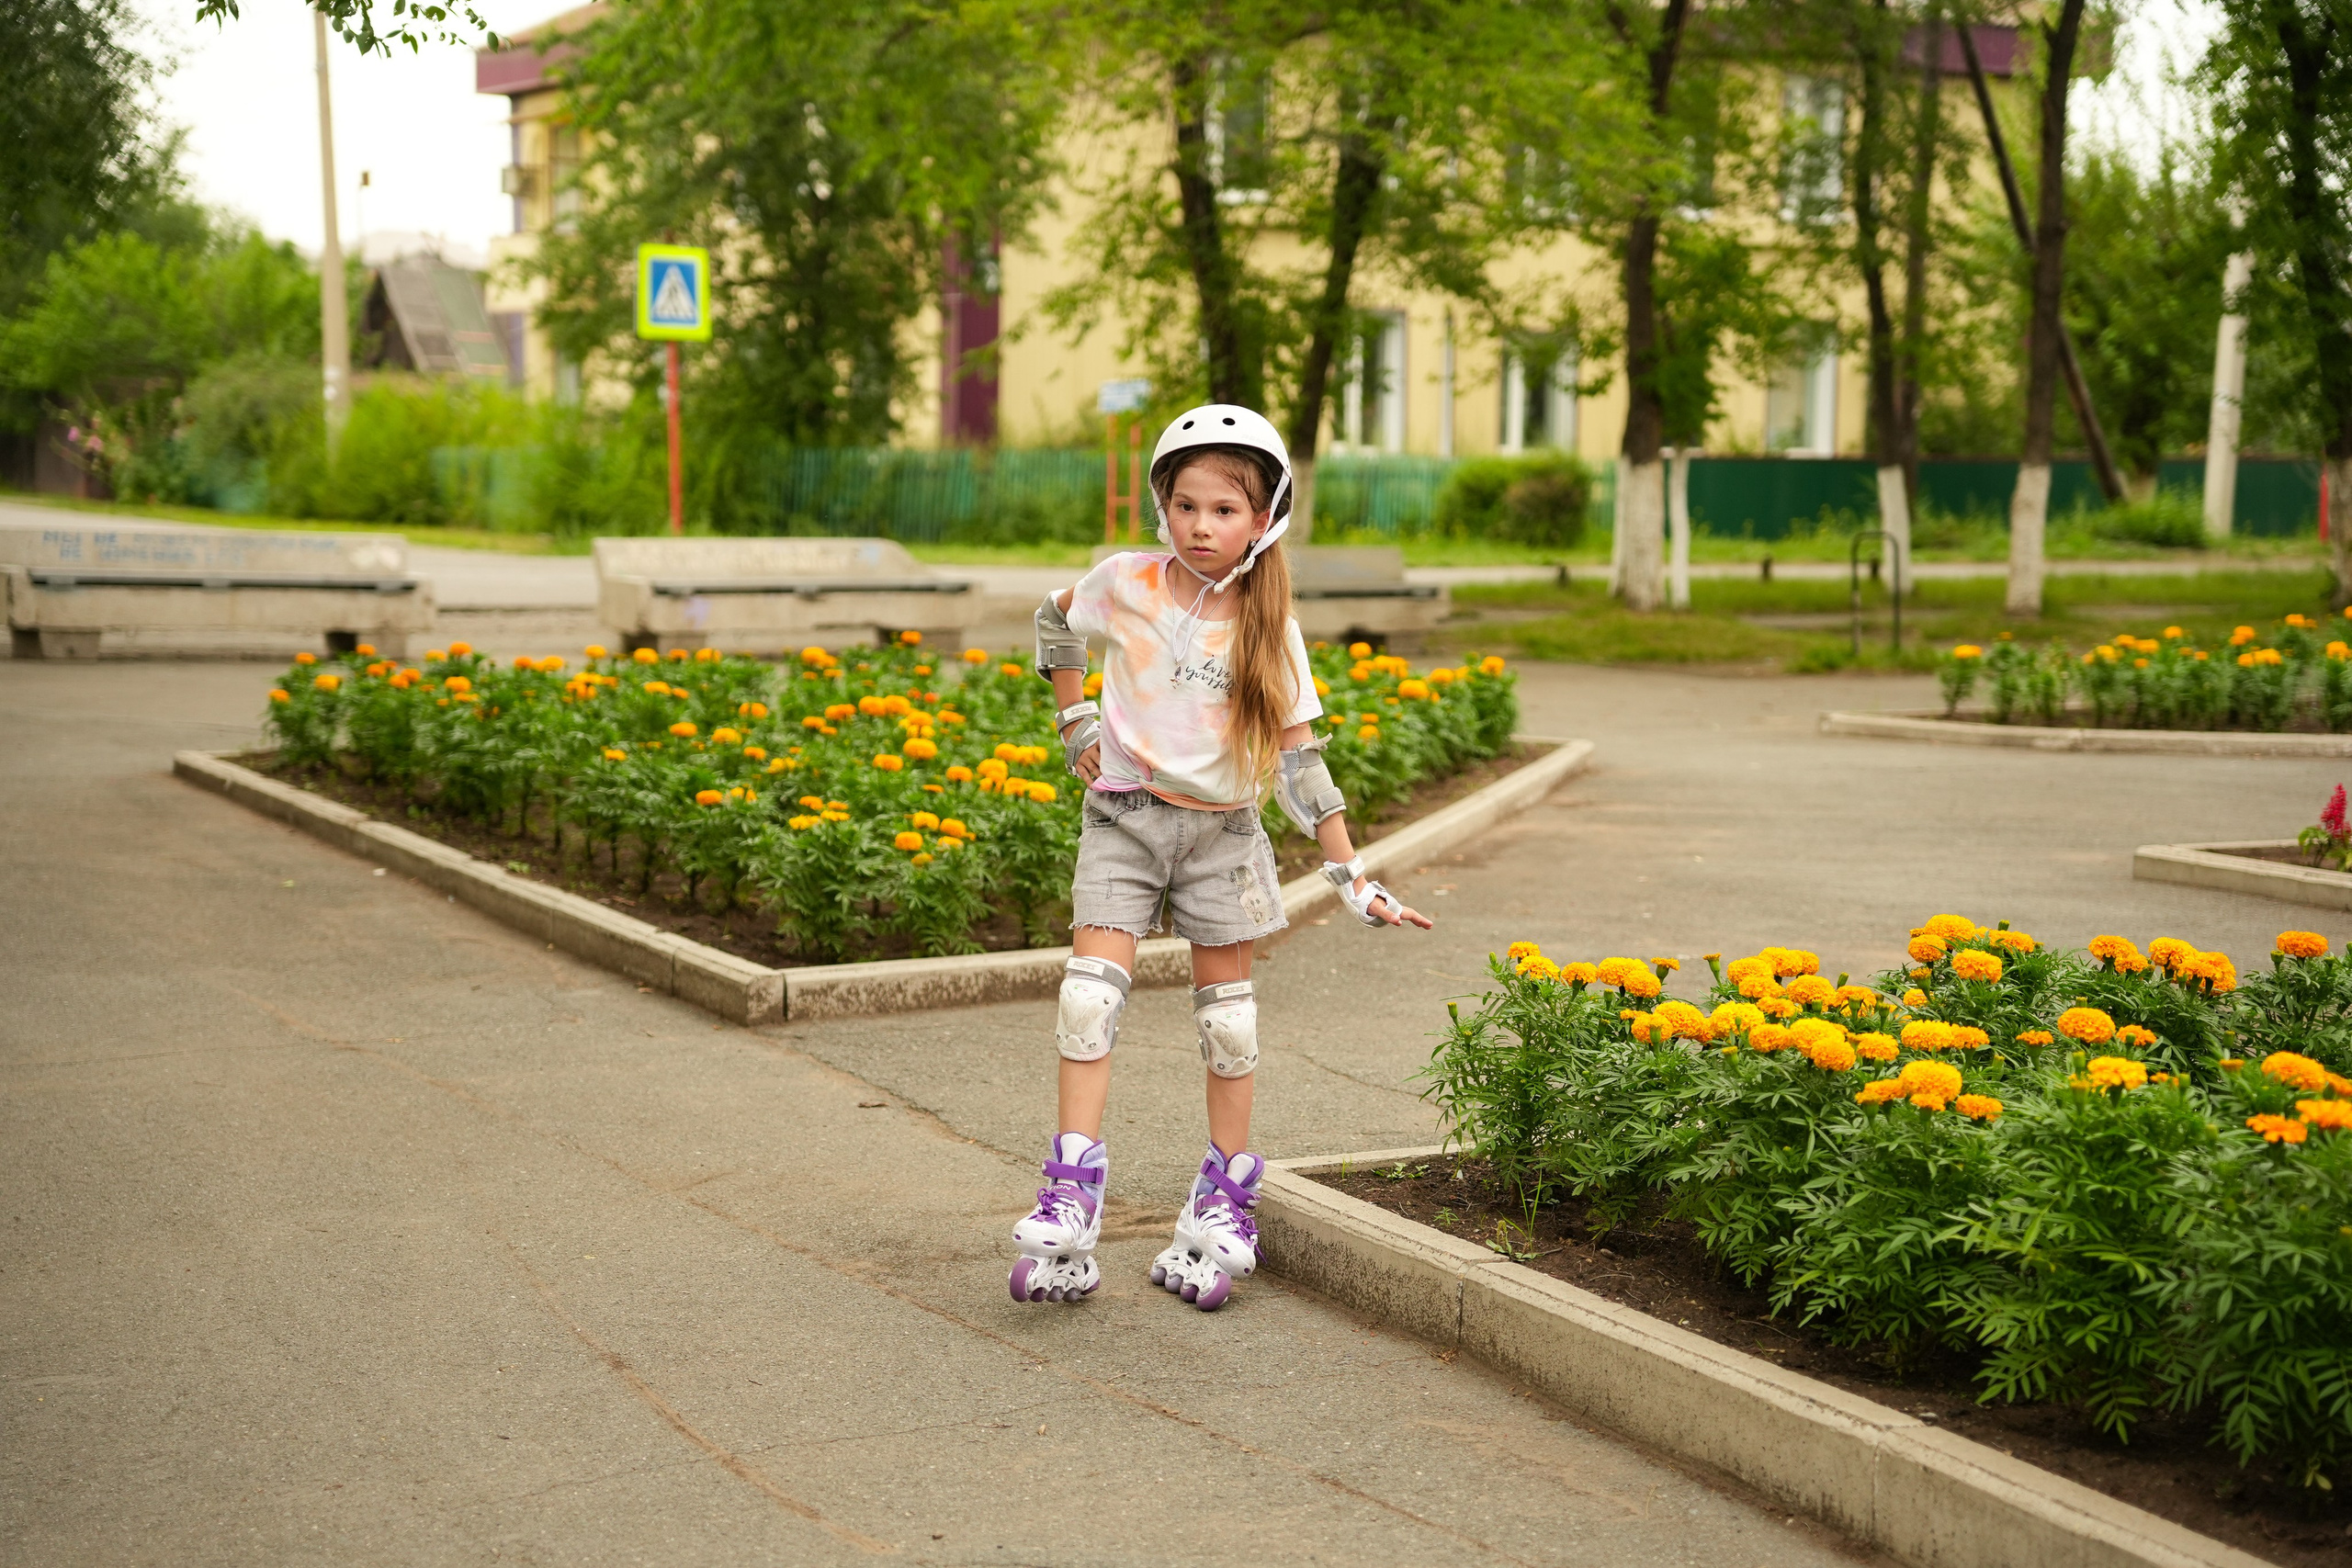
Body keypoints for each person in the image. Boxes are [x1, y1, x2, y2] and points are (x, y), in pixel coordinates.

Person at [1008, 403, 1432, 1313]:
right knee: (1088, 999)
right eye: (1186, 505)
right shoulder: (1127, 582)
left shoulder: (1270, 629)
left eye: (1225, 510)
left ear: (1263, 518)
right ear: (1163, 505)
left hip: (1223, 837)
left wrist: (1351, 876)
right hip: (1123, 817)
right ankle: (1071, 1190)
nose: (1201, 526)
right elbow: (1053, 620)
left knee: (1229, 1024)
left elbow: (1303, 764)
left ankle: (1222, 1198)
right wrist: (1074, 717)